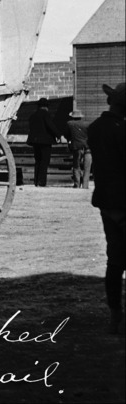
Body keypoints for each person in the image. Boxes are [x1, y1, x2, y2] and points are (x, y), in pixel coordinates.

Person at [87, 82, 125, 334]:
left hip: (105, 201)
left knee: (115, 260)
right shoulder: (122, 130)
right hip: (124, 201)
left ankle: (115, 315)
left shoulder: (95, 127)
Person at [26, 97, 62, 187]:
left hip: (35, 141)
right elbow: (51, 126)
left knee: (37, 161)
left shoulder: (32, 116)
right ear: (46, 107)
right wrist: (58, 135)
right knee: (44, 161)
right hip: (45, 142)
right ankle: (41, 182)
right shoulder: (46, 114)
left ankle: (36, 181)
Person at [65, 109, 92, 189]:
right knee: (87, 167)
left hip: (76, 147)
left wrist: (70, 140)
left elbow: (66, 134)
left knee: (76, 165)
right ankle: (85, 185)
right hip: (87, 147)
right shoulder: (87, 124)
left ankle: (77, 183)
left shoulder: (70, 123)